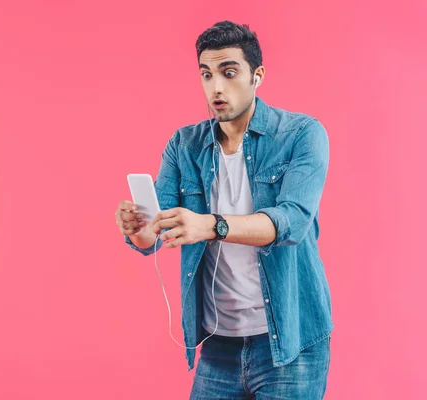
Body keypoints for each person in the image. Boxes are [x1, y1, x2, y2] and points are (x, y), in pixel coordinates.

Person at [114, 20, 333, 399]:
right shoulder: (185, 145)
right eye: (206, 74)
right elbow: (154, 234)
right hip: (218, 345)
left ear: (256, 75)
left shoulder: (301, 134)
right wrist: (137, 226)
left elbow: (292, 221)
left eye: (229, 72)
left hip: (290, 343)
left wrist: (210, 225)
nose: (216, 87)